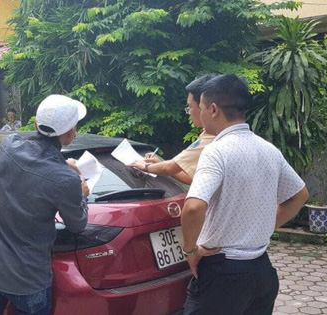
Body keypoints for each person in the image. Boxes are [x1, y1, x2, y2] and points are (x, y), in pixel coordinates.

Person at [180, 74, 310, 314]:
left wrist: (190, 251)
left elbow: (194, 207)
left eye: (200, 108)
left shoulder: (216, 151)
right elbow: (299, 194)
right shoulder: (268, 149)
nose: (199, 114)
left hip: (222, 273)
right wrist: (265, 226)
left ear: (214, 109)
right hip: (261, 271)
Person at [0, 94, 90, 315]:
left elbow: (32, 167)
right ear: (71, 133)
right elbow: (78, 224)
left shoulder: (8, 146)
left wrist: (62, 164)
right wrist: (82, 193)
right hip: (28, 278)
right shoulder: (67, 180)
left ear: (35, 124)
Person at [127, 75, 217, 184]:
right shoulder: (209, 134)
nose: (189, 112)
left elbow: (169, 167)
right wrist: (160, 163)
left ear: (205, 107)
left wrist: (145, 166)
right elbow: (192, 178)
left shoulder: (213, 139)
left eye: (190, 107)